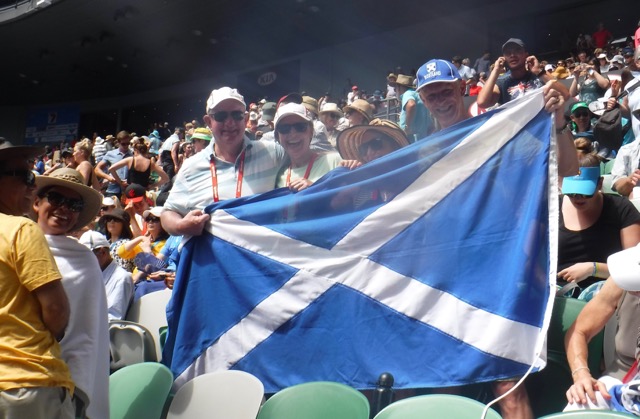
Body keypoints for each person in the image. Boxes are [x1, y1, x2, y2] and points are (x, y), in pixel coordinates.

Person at [415, 58, 580, 419]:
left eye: (446, 91)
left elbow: (568, 168)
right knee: (446, 383)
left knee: (506, 386)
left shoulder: (498, 131)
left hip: (499, 274)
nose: (441, 101)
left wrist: (559, 120)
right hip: (448, 280)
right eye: (432, 96)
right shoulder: (423, 152)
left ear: (462, 88)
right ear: (423, 102)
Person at [0, 139, 75, 418]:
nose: (32, 186)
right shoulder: (21, 229)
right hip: (27, 384)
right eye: (25, 176)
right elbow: (56, 309)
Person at [33, 168, 109, 419]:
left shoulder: (85, 260)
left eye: (73, 204)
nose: (64, 208)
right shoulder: (12, 245)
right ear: (37, 202)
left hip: (62, 379)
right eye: (56, 198)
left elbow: (87, 333)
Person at [160, 86, 286, 237]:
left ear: (246, 119)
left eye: (237, 115)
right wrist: (180, 226)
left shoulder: (273, 153)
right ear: (208, 121)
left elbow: (306, 165)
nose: (230, 122)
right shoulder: (191, 167)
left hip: (260, 250)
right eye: (221, 116)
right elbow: (168, 212)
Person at [557, 154, 640, 291]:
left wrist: (593, 268)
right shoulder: (551, 208)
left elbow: (634, 268)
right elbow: (530, 259)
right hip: (555, 288)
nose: (577, 197)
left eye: (585, 192)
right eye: (571, 192)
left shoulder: (621, 209)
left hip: (607, 288)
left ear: (600, 183)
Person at [477, 38, 568, 109]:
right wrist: (495, 71)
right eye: (508, 53)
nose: (512, 55)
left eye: (517, 50)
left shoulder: (540, 74)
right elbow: (482, 103)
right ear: (504, 58)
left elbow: (565, 95)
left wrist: (538, 71)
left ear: (526, 55)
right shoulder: (501, 82)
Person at [273, 103, 342, 191]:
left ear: (311, 131)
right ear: (277, 136)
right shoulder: (279, 176)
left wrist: (315, 189)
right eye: (284, 128)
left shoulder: (335, 161)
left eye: (300, 127)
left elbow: (352, 196)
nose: (293, 134)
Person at [79, 230, 134, 320]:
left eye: (86, 256)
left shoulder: (121, 278)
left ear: (102, 252)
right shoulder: (90, 275)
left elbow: (113, 318)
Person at [394, 74, 432, 142]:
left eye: (395, 88)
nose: (395, 90)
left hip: (411, 140)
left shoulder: (407, 93)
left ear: (399, 87)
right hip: (422, 139)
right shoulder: (418, 95)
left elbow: (411, 105)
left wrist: (407, 127)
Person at [94, 130, 133, 198]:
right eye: (123, 144)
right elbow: (97, 169)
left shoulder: (133, 155)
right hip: (113, 189)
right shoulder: (111, 154)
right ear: (118, 142)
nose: (126, 146)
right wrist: (108, 177)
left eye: (128, 143)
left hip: (128, 189)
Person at [99, 208, 135, 272]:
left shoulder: (127, 244)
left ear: (123, 225)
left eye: (116, 220)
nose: (112, 222)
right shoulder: (104, 243)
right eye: (109, 219)